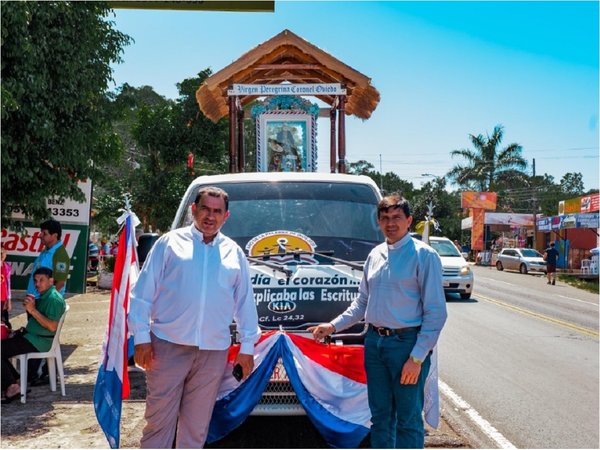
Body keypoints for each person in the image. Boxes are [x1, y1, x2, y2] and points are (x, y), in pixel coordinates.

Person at [308, 194, 448, 449]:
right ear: (379, 222)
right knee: (381, 418)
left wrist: (416, 358)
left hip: (406, 346)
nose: (390, 223)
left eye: (396, 217)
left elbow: (436, 313)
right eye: (385, 218)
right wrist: (332, 326)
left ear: (409, 221)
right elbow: (361, 303)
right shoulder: (375, 255)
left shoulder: (424, 256)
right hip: (375, 345)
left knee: (407, 420)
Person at [128, 186, 260, 448]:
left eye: (217, 211)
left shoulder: (234, 253)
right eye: (205, 209)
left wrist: (247, 348)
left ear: (226, 216)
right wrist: (141, 338)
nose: (210, 217)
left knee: (196, 428)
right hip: (166, 347)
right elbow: (141, 295)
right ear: (193, 210)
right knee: (158, 422)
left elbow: (245, 304)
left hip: (213, 353)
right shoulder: (169, 244)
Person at [1, 267, 66, 403]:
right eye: (35, 280)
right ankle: (17, 381)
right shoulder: (45, 295)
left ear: (51, 281)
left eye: (41, 280)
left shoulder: (53, 299)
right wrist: (30, 310)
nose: (37, 284)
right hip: (31, 337)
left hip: (39, 341)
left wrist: (33, 310)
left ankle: (12, 387)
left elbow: (52, 326)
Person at [27, 219, 70, 297]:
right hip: (35, 300)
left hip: (46, 304)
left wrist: (46, 301)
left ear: (55, 235)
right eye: (41, 232)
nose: (40, 235)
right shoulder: (46, 251)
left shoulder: (60, 254)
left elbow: (60, 283)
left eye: (44, 233)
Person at [1, 244, 12, 329]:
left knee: (4, 322)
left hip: (3, 299)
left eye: (3, 253)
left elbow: (8, 285)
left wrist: (9, 300)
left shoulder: (7, 267)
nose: (1, 255)